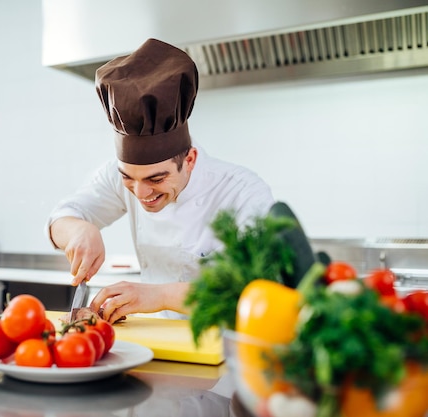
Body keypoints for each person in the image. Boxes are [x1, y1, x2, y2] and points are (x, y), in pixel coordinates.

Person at [46, 38, 274, 322]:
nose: (140, 192)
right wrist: (79, 231)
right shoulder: (120, 176)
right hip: (152, 341)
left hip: (221, 346)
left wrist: (160, 295)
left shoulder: (242, 191)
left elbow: (258, 292)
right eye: (128, 178)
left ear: (189, 160)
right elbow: (61, 217)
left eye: (156, 178)